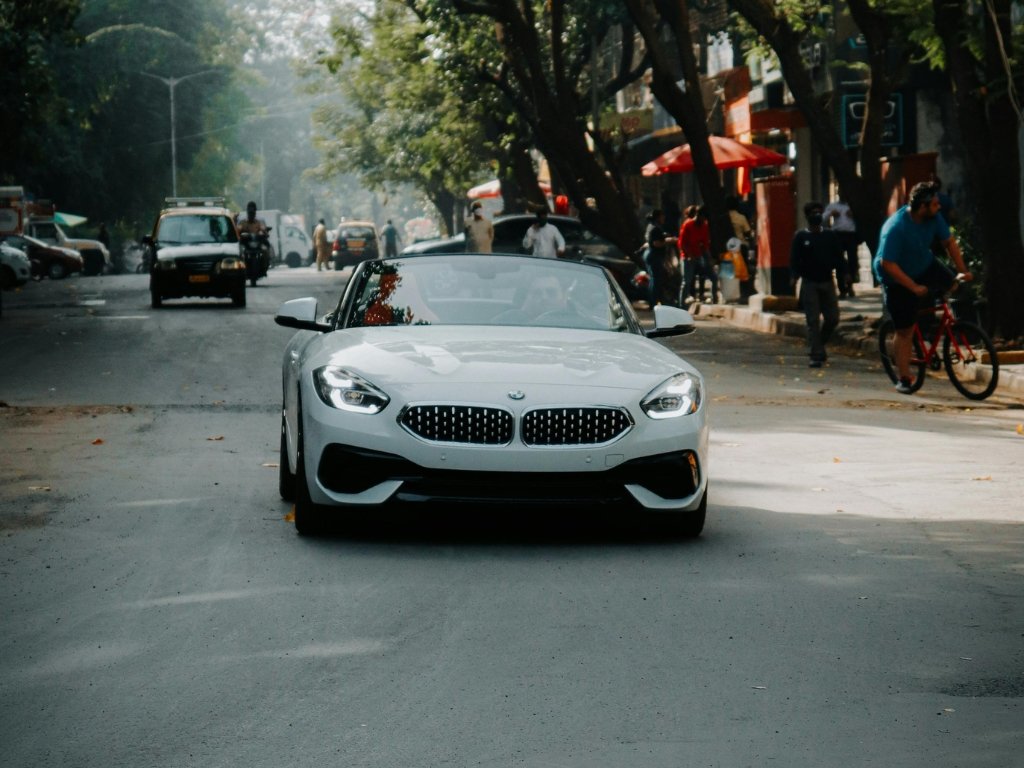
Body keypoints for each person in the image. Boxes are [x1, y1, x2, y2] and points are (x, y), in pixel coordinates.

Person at [872, 181, 972, 394]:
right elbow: (887, 263)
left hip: (924, 263)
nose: (939, 207)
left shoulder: (934, 218)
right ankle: (904, 377)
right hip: (895, 276)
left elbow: (949, 243)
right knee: (905, 330)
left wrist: (962, 270)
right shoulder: (896, 227)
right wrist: (913, 287)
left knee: (954, 284)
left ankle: (935, 321)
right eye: (935, 204)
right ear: (922, 207)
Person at [790, 202, 848, 368]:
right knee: (813, 320)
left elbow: (839, 257)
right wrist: (794, 277)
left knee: (833, 318)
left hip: (828, 281)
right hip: (809, 283)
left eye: (819, 212)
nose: (816, 215)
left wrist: (845, 274)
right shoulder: (801, 237)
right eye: (813, 213)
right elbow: (794, 260)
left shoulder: (830, 236)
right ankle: (816, 354)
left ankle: (819, 344)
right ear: (807, 217)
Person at [678, 205, 716, 304]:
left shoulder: (704, 226)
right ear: (698, 215)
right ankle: (681, 304)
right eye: (703, 217)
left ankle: (714, 300)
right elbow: (681, 244)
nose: (704, 220)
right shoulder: (687, 225)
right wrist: (690, 255)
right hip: (687, 257)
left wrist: (709, 259)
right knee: (687, 281)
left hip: (699, 255)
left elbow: (705, 244)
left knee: (713, 277)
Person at [823, 197, 860, 297]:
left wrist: (854, 215)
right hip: (838, 234)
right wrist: (831, 214)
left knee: (853, 260)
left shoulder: (853, 206)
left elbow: (863, 218)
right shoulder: (833, 206)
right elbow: (823, 218)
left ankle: (850, 286)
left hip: (851, 235)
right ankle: (842, 288)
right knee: (839, 260)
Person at [644, 209, 674, 306]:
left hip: (650, 254)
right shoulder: (655, 228)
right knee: (656, 280)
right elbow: (656, 243)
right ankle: (653, 302)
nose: (664, 218)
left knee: (654, 279)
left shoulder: (651, 226)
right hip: (654, 255)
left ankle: (653, 302)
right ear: (658, 217)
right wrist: (668, 241)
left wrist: (663, 236)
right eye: (662, 216)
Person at [237, 201, 271, 274]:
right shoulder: (243, 222)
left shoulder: (259, 222)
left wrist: (265, 232)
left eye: (253, 213)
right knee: (239, 252)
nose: (251, 214)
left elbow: (263, 229)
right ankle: (240, 269)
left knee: (265, 250)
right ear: (247, 212)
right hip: (246, 244)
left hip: (257, 244)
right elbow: (238, 230)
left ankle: (265, 267)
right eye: (250, 213)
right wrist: (238, 233)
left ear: (255, 212)